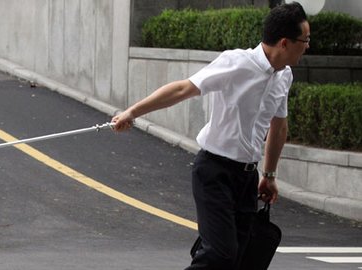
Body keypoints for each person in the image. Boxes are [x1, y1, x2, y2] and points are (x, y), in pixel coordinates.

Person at [111, 2, 309, 269]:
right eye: (304, 40)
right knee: (220, 254)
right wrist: (132, 112)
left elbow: (279, 126)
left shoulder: (284, 76)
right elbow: (183, 89)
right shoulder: (236, 63)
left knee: (240, 258)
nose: (308, 46)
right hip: (215, 173)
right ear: (284, 43)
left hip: (247, 179)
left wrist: (269, 175)